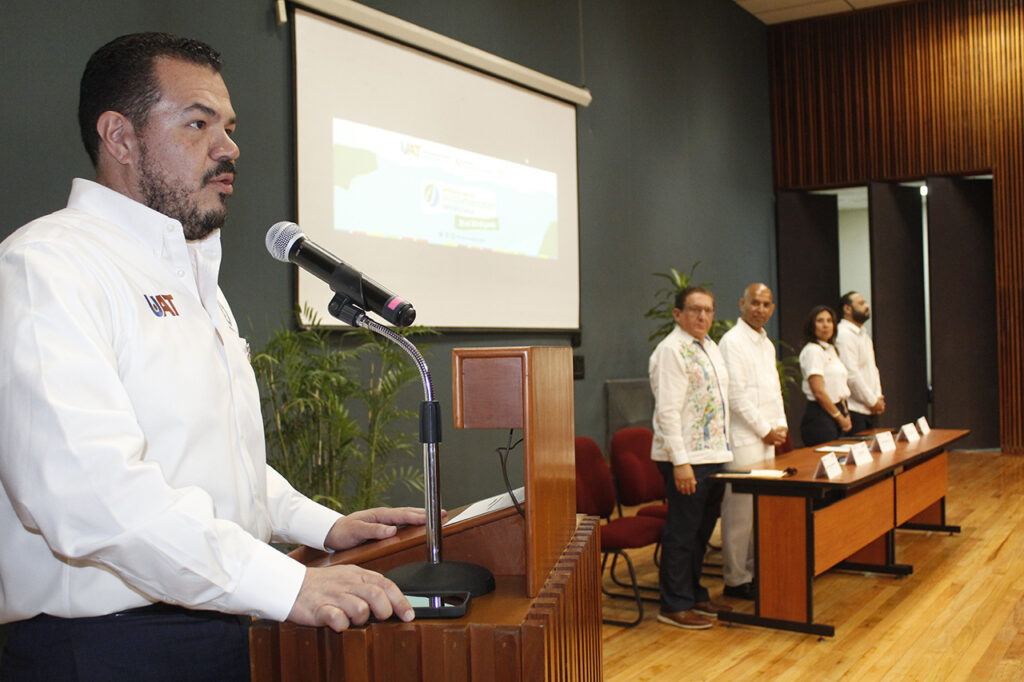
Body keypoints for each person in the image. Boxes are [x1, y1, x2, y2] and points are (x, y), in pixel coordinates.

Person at [0, 33, 427, 680]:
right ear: (119, 137)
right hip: (102, 649)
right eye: (198, 124)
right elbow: (87, 495)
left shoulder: (190, 275)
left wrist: (322, 525)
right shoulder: (47, 267)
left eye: (227, 127)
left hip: (212, 624)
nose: (228, 148)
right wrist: (281, 583)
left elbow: (212, 460)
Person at [649, 286, 733, 630]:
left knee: (701, 531)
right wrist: (681, 462)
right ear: (677, 314)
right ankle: (674, 603)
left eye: (709, 310)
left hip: (713, 453)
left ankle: (694, 592)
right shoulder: (672, 350)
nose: (703, 317)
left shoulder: (710, 346)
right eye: (695, 310)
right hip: (684, 459)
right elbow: (667, 411)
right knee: (683, 532)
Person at [717, 283, 787, 601]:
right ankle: (734, 579)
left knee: (760, 510)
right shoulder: (732, 342)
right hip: (745, 438)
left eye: (766, 304)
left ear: (772, 309)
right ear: (742, 303)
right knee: (740, 512)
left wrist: (780, 427)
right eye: (755, 303)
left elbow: (773, 390)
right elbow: (736, 396)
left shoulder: (765, 343)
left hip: (768, 437)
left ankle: (753, 571)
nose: (760, 309)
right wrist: (764, 429)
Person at [798, 305, 853, 446]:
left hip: (837, 411)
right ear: (812, 325)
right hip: (820, 416)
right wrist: (839, 417)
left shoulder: (831, 350)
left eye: (829, 321)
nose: (825, 325)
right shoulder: (813, 350)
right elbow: (819, 392)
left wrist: (845, 414)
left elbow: (840, 388)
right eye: (820, 321)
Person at [835, 291, 885, 434]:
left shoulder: (863, 333)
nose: (867, 306)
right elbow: (851, 374)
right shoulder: (844, 335)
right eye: (861, 303)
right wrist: (872, 401)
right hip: (855, 409)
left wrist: (878, 397)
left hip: (870, 407)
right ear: (847, 309)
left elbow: (872, 369)